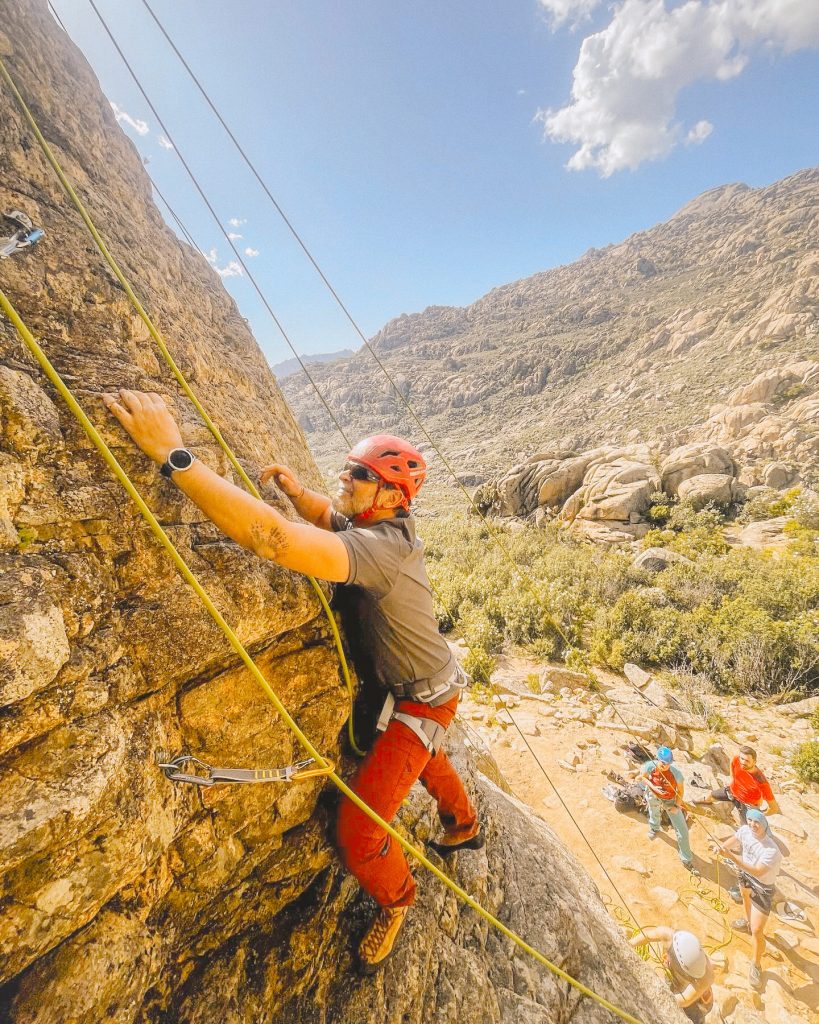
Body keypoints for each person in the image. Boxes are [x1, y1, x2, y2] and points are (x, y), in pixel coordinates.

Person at [102, 390, 481, 973]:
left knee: (358, 831)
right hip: (422, 684)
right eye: (349, 468)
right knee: (424, 759)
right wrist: (299, 493)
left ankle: (398, 899)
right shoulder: (380, 527)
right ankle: (464, 825)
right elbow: (333, 520)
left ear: (389, 494)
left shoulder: (380, 550)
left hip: (420, 701)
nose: (345, 478)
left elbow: (272, 541)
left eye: (359, 473)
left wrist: (173, 454)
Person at [709, 808, 782, 990]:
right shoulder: (745, 831)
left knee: (757, 931)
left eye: (756, 821)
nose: (752, 824)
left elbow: (757, 871)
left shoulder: (771, 850)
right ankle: (747, 921)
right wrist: (721, 847)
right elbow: (733, 841)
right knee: (744, 896)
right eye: (749, 820)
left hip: (763, 887)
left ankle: (756, 964)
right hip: (745, 876)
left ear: (765, 825)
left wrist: (731, 856)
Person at [628, 927, 714, 1022]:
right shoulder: (668, 936)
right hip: (675, 977)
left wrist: (657, 998)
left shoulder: (706, 977)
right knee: (670, 985)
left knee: (694, 1016)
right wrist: (630, 944)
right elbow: (647, 935)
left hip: (695, 1003)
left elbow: (684, 1000)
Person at [638, 746, 700, 876]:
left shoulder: (677, 775)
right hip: (653, 795)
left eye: (667, 763)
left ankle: (686, 858)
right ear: (658, 760)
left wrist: (676, 806)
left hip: (670, 800)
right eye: (662, 762)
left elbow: (680, 792)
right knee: (653, 812)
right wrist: (653, 787)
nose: (664, 765)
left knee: (682, 829)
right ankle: (654, 828)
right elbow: (643, 777)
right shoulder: (650, 766)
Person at [704, 745, 780, 823]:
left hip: (747, 804)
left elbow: (774, 808)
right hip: (732, 791)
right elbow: (732, 763)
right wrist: (733, 778)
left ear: (754, 762)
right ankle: (698, 802)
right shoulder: (738, 759)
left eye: (747, 761)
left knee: (745, 829)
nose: (743, 762)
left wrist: (760, 814)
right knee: (709, 796)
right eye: (742, 759)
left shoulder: (761, 782)